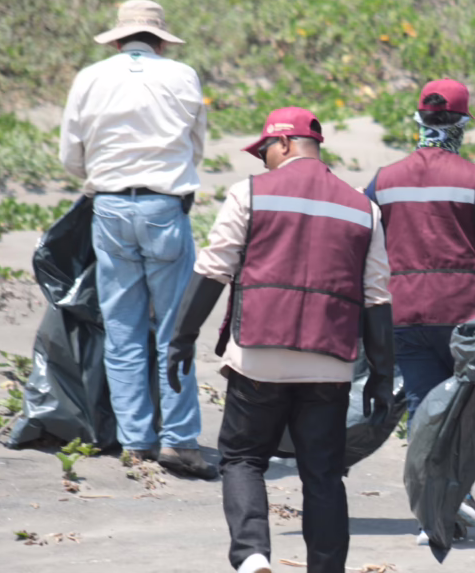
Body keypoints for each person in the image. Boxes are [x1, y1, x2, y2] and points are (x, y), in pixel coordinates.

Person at [165, 106, 396, 573]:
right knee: (324, 474)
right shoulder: (363, 208)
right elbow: (377, 299)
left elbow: (213, 270)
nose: (262, 160)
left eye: (264, 150)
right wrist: (382, 374)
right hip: (330, 364)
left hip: (258, 356)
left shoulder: (248, 194)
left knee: (243, 458)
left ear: (285, 143)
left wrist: (181, 339)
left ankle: (252, 555)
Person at [59, 0, 215, 478]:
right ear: (161, 40)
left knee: (123, 331)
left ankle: (136, 441)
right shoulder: (182, 75)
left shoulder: (90, 77)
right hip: (164, 207)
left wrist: (96, 179)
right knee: (176, 331)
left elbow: (71, 151)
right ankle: (180, 439)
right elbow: (198, 144)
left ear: (119, 38)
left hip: (108, 207)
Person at [363, 79, 475, 544]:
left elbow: (363, 240)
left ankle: (428, 517)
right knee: (463, 412)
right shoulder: (473, 179)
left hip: (404, 312)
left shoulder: (383, 180)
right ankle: (456, 498)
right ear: (463, 125)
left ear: (418, 121)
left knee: (421, 410)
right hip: (464, 315)